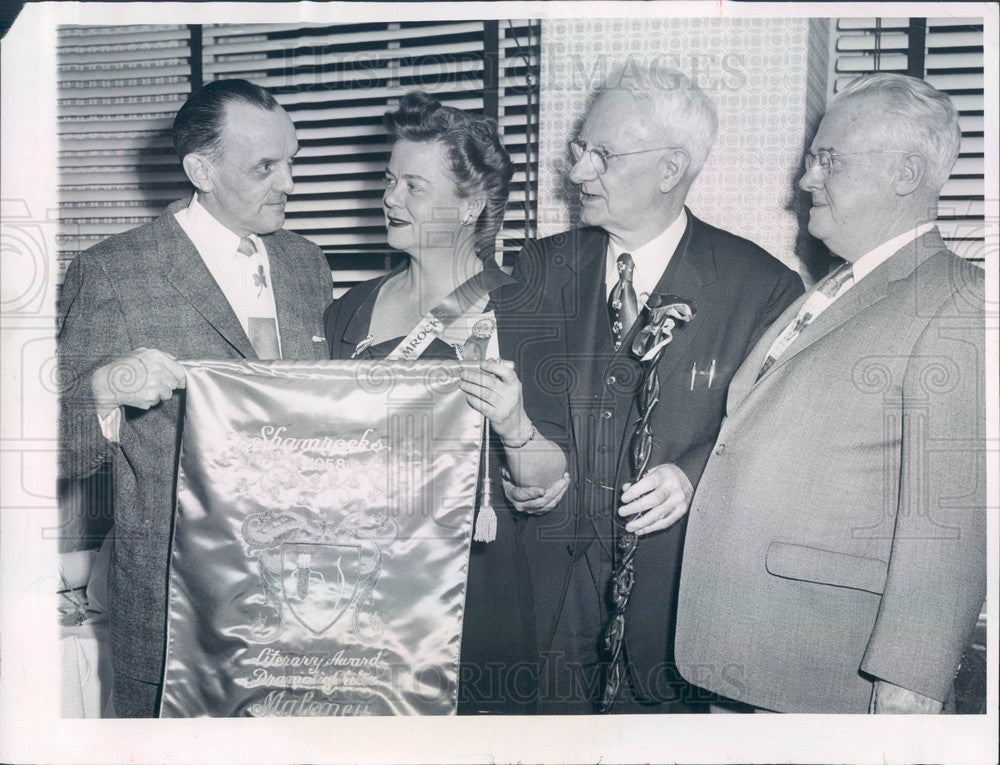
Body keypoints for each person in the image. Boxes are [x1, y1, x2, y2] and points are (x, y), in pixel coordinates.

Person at [673, 73, 986, 713]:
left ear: (905, 174)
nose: (807, 180)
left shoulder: (958, 298)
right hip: (748, 655)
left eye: (829, 160)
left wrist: (911, 680)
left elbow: (951, 513)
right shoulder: (833, 288)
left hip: (832, 671)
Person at [509, 65, 804, 713]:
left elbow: (787, 442)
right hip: (538, 615)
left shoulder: (762, 289)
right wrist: (513, 465)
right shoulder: (537, 269)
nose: (577, 172)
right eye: (578, 150)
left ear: (671, 170)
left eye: (601, 155)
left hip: (667, 629)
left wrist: (696, 474)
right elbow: (497, 413)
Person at [58, 79, 333, 717]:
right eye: (266, 167)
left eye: (293, 159)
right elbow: (59, 452)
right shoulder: (114, 272)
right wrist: (106, 390)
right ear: (200, 170)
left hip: (303, 596)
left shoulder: (306, 264)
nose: (289, 183)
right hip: (170, 604)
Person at [324, 91, 569, 714]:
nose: (389, 198)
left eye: (414, 185)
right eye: (388, 179)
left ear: (472, 204)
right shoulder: (350, 309)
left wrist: (514, 427)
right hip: (362, 584)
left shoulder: (526, 313)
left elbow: (552, 479)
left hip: (473, 589)